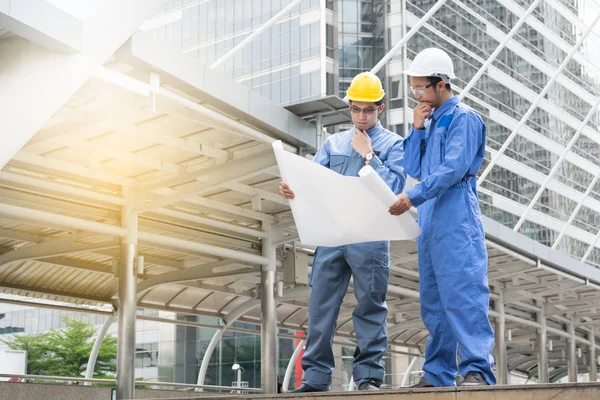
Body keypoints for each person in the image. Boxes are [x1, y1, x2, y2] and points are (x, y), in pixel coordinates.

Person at [279, 72, 406, 392]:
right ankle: (316, 377)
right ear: (349, 107)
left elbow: (396, 188)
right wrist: (293, 189)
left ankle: (367, 377)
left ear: (381, 108)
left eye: (369, 110)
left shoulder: (393, 145)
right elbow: (314, 184)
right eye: (356, 109)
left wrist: (368, 155)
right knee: (320, 306)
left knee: (370, 308)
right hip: (333, 236)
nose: (362, 116)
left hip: (370, 238)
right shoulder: (332, 143)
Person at [388, 48, 495, 387]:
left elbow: (453, 169)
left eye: (420, 88)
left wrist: (412, 196)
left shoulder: (464, 118)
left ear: (441, 84)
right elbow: (415, 169)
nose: (416, 94)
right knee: (434, 302)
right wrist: (417, 129)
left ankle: (477, 369)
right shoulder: (429, 121)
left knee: (463, 294)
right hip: (431, 218)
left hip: (456, 215)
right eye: (413, 89)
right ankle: (437, 373)